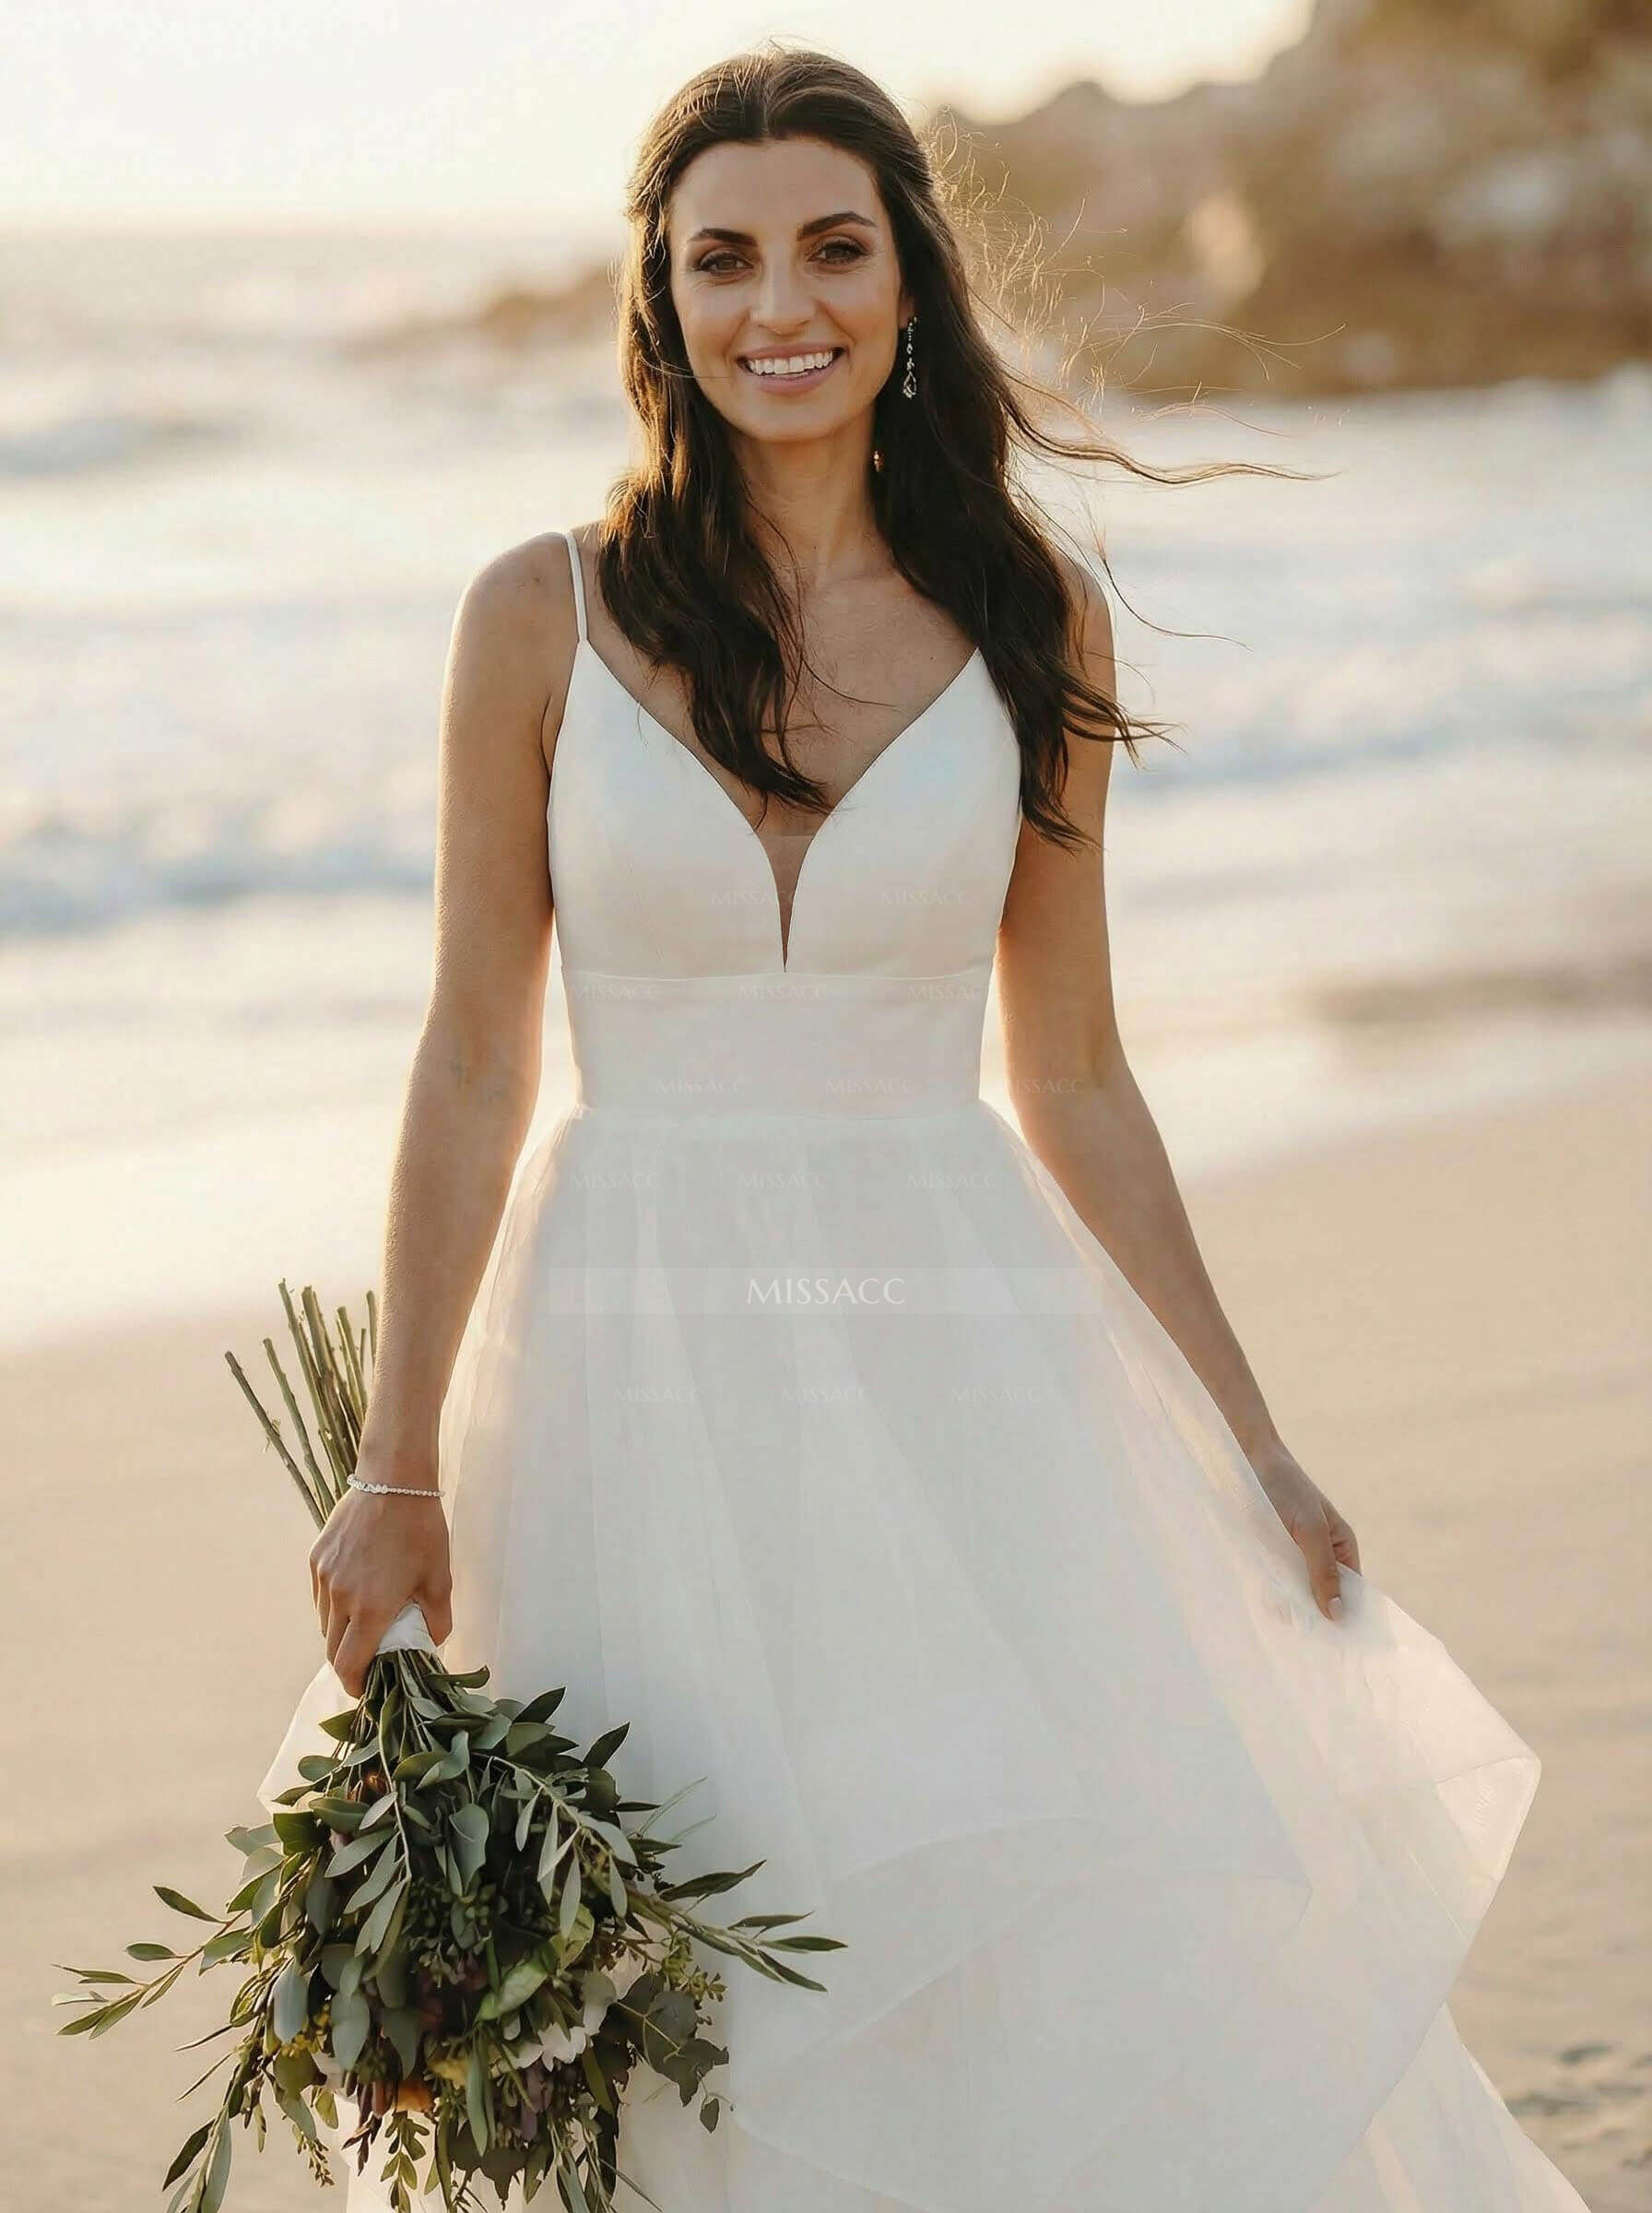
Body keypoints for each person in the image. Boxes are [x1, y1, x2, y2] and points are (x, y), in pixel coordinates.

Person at [285, 41, 1591, 2213]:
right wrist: (395, 1465)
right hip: (621, 1368)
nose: (774, 302)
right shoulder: (541, 613)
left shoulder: (1023, 615)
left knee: (1000, 1924)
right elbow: (470, 1063)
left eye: (829, 247)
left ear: (907, 289)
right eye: (720, 259)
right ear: (658, 302)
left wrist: (1248, 1441)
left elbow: (1071, 1073)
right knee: (664, 1959)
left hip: (956, 1360)